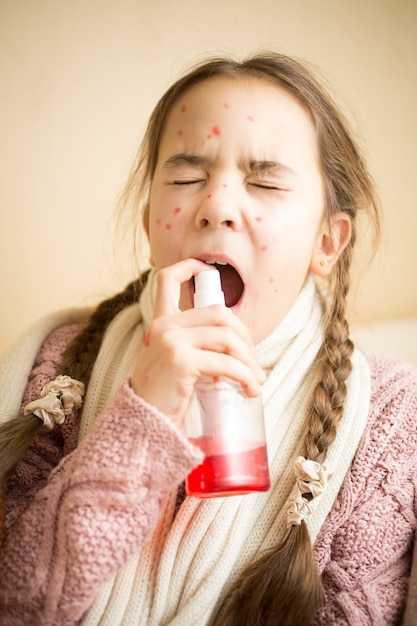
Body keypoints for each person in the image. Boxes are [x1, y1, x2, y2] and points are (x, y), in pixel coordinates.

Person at [0, 51, 415, 626]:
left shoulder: (390, 421)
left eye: (266, 181)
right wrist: (141, 419)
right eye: (187, 177)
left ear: (327, 242)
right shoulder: (56, 370)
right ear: (150, 223)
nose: (217, 206)